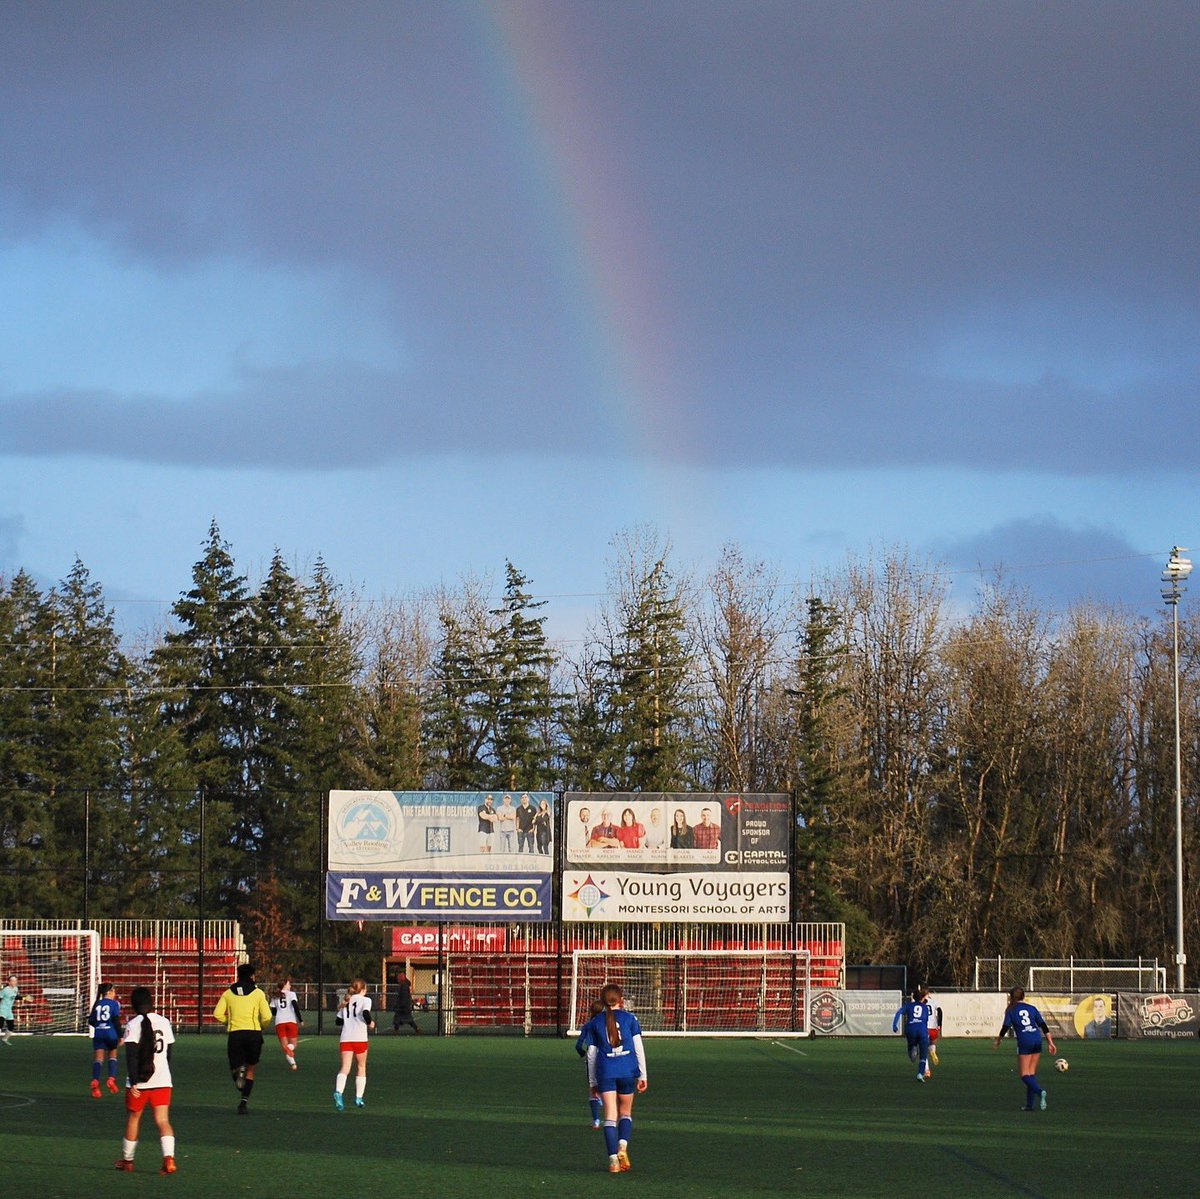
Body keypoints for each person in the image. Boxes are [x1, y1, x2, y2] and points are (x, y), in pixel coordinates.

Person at [579, 982, 648, 1173]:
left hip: (606, 1072)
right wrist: (643, 1075)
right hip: (627, 1071)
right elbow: (638, 1048)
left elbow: (591, 1054)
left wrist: (592, 1082)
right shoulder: (630, 1019)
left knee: (610, 1116)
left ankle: (612, 1161)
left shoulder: (595, 1023)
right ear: (621, 1001)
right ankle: (622, 1146)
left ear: (602, 1002)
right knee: (625, 1113)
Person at [114, 986, 176, 1175]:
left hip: (140, 1081)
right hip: (162, 1079)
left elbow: (131, 1056)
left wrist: (134, 1081)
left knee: (134, 1118)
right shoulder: (164, 1022)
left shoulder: (133, 1024)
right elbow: (169, 1053)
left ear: (134, 1005)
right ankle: (169, 1158)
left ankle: (128, 1161)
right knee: (163, 1120)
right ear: (151, 1003)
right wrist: (163, 1073)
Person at [212, 962, 273, 1115]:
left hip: (235, 1034)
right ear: (252, 976)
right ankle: (243, 1103)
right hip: (253, 1034)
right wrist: (261, 1026)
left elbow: (217, 1014)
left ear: (238, 976)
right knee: (251, 1068)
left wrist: (229, 1022)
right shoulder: (258, 993)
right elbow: (267, 1016)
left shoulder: (228, 993)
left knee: (236, 1066)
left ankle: (238, 1074)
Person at [993, 986, 1057, 1111]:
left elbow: (1005, 1026)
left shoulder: (1011, 1010)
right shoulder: (1032, 1008)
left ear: (1011, 997)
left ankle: (1040, 1091)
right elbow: (1043, 1026)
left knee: (1024, 1075)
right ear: (1023, 996)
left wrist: (998, 1040)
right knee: (1031, 1073)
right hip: (1037, 1039)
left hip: (1025, 1041)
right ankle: (1029, 1105)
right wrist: (1051, 1043)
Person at [334, 978, 374, 1110]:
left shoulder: (347, 1001)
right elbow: (365, 1013)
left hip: (345, 1038)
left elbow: (338, 1022)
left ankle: (339, 1091)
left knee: (345, 1068)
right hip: (359, 1038)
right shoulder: (366, 1000)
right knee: (361, 1066)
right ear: (362, 989)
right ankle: (359, 1098)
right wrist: (370, 1023)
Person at [87, 982, 123, 1096]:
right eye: (114, 991)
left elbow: (91, 1021)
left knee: (98, 1059)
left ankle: (95, 1081)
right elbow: (116, 1020)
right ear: (110, 992)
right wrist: (120, 1036)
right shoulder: (114, 1004)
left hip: (98, 1034)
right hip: (110, 1033)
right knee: (112, 1056)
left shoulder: (97, 1003)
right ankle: (111, 1079)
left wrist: (99, 1025)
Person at [892, 986, 934, 1081]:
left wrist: (894, 1025)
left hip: (911, 1029)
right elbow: (925, 1020)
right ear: (922, 998)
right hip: (922, 1030)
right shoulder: (925, 1007)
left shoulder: (908, 1005)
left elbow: (898, 1013)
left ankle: (912, 1048)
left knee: (912, 1055)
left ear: (913, 997)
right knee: (923, 1055)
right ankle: (920, 1074)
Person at [575, 999, 606, 1128]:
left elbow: (578, 1045)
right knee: (608, 1085)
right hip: (605, 1055)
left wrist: (582, 1053)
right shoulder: (606, 1025)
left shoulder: (588, 1025)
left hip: (591, 1055)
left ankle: (596, 1120)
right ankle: (611, 1117)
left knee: (592, 1086)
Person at [270, 979, 303, 1069]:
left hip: (279, 1022)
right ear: (284, 985)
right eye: (289, 984)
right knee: (293, 1045)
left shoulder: (275, 996)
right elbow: (295, 1006)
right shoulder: (291, 994)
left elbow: (273, 1012)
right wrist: (300, 1020)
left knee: (285, 1047)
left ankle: (293, 1064)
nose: (290, 986)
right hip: (291, 1021)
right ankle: (292, 1062)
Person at [0, 974, 21, 1045]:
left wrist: (24, 998)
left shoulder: (16, 988)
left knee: (11, 1026)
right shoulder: (5, 990)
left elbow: (15, 997)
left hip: (9, 1010)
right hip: (2, 1009)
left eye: (16, 980)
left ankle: (4, 1039)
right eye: (13, 980)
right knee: (0, 1024)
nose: (15, 982)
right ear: (9, 982)